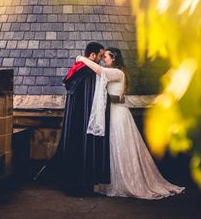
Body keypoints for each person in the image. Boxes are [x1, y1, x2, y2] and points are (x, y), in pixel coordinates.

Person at [76, 47, 185, 199]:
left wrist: (82, 59)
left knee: (120, 147)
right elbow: (118, 98)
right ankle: (112, 182)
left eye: (106, 57)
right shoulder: (116, 73)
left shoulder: (117, 73)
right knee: (114, 148)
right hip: (115, 111)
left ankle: (126, 182)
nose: (103, 59)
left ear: (113, 58)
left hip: (118, 116)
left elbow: (99, 70)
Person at [43, 41, 111, 194]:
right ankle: (82, 182)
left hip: (74, 116)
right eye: (100, 55)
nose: (101, 59)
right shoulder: (88, 72)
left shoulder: (77, 69)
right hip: (83, 118)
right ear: (92, 55)